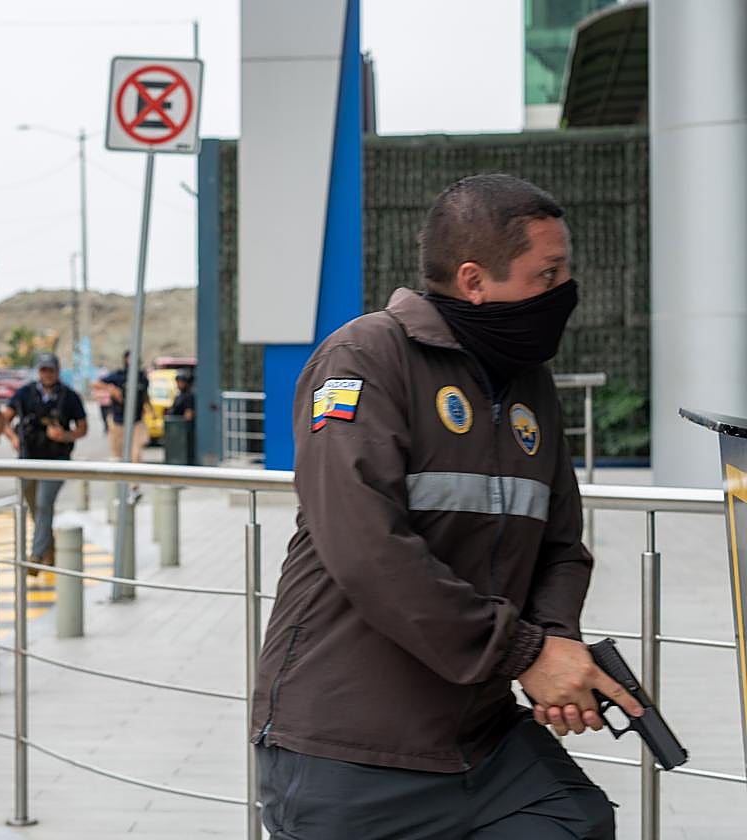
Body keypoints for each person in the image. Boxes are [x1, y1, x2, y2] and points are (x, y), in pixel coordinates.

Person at [251, 175, 643, 839]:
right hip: (349, 749)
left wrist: (553, 644)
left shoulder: (528, 384)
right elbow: (366, 548)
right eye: (547, 275)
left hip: (482, 742)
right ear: (473, 280)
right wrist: (523, 654)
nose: (565, 293)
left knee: (578, 824)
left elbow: (561, 542)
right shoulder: (362, 359)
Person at [1, 352, 88, 573]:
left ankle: (36, 555)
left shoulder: (69, 396)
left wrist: (65, 436)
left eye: (51, 370)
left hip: (56, 460)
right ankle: (49, 548)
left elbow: (82, 427)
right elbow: (3, 419)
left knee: (43, 503)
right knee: (34, 507)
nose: (47, 374)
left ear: (58, 371)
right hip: (28, 458)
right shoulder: (25, 393)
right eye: (43, 370)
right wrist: (13, 439)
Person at [98, 351, 149, 462]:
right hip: (119, 420)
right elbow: (97, 383)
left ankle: (134, 478)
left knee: (136, 455)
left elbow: (145, 395)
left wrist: (150, 410)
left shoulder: (142, 377)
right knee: (118, 456)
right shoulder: (118, 375)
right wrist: (112, 389)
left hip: (136, 421)